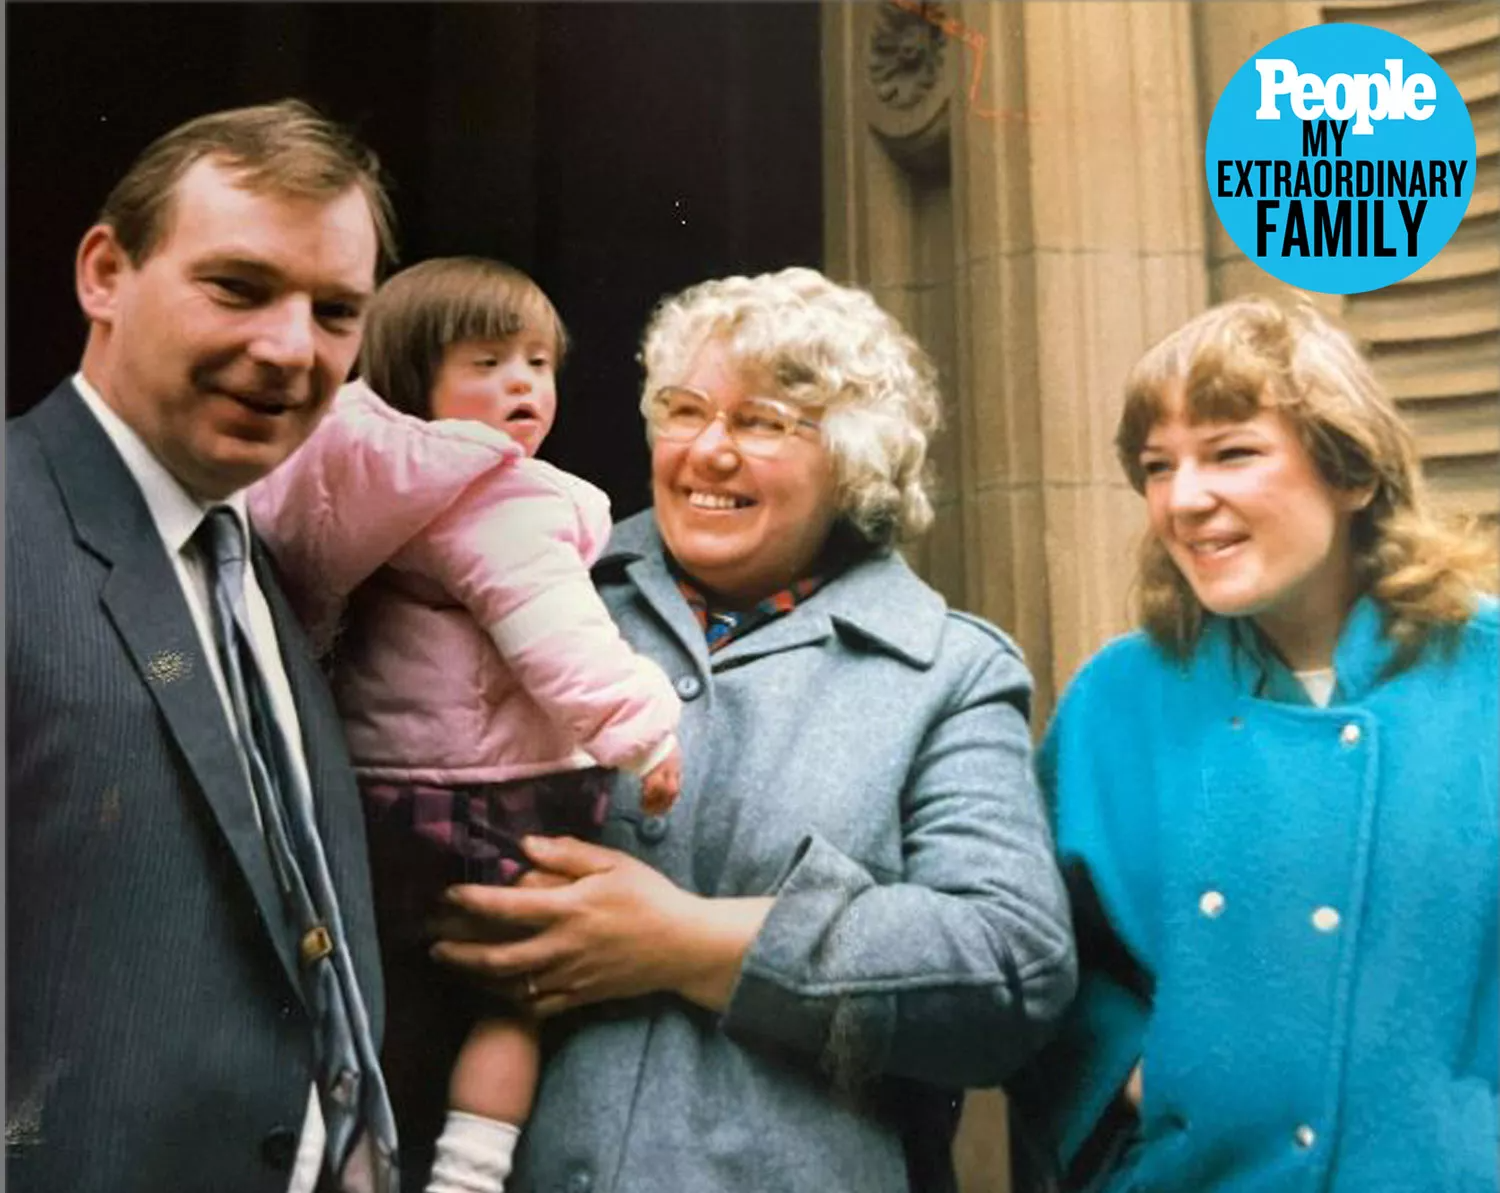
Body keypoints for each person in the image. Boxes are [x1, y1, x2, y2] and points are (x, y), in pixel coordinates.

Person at [423, 265, 1078, 1193]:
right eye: (684, 410)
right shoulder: (532, 588)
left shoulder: (948, 672)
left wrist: (688, 939)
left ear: (853, 459)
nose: (709, 451)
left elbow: (1012, 970)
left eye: (762, 422)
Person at [1008, 294, 1499, 1193]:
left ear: (1352, 474)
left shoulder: (1487, 674)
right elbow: (1030, 956)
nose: (1186, 500)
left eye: (1233, 452)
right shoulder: (1114, 702)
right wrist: (1135, 1079)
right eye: (1158, 467)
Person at [7, 100, 401, 1193]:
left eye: (335, 310)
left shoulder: (256, 563)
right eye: (237, 286)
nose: (289, 349)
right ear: (103, 272)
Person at [248, 256, 684, 1193]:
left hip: (375, 790)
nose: (523, 382)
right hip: (489, 793)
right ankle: (469, 1175)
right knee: (510, 1003)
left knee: (377, 994)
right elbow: (552, 631)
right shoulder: (498, 495)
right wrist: (640, 728)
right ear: (416, 379)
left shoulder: (359, 484)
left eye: (537, 362)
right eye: (488, 362)